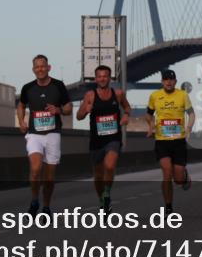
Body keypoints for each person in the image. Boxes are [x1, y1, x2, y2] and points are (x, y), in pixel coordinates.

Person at [17, 55, 72, 215]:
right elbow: (21, 105)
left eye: (43, 66)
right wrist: (21, 121)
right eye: (37, 67)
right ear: (33, 69)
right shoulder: (27, 88)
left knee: (49, 177)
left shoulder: (58, 86)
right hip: (34, 134)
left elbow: (68, 107)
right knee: (35, 168)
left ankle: (46, 207)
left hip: (53, 134)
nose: (40, 69)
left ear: (49, 67)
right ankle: (35, 200)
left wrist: (59, 110)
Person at [77, 65, 131, 213]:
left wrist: (126, 116)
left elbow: (127, 108)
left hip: (113, 138)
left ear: (110, 78)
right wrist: (85, 110)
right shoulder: (90, 95)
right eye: (99, 76)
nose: (102, 79)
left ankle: (107, 193)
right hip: (96, 140)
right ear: (96, 79)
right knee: (98, 175)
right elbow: (78, 116)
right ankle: (102, 199)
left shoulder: (118, 93)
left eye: (105, 76)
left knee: (110, 165)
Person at [146, 69, 195, 213]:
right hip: (162, 141)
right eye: (166, 79)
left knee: (178, 179)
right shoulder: (155, 96)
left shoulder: (183, 95)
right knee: (167, 173)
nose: (168, 82)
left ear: (175, 82)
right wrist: (151, 124)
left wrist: (189, 127)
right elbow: (148, 115)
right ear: (162, 82)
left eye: (171, 79)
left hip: (178, 141)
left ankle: (184, 176)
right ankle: (168, 207)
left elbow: (191, 114)